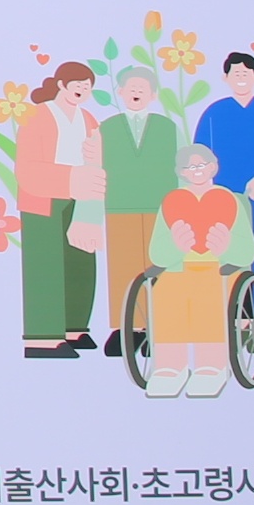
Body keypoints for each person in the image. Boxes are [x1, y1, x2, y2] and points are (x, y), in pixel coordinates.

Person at [145, 141, 253, 399]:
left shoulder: (231, 200)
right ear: (180, 172)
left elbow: (248, 251)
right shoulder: (172, 202)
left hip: (220, 269)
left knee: (209, 296)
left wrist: (227, 245)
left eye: (201, 164)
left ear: (214, 166)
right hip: (179, 268)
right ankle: (170, 367)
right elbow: (156, 252)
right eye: (189, 167)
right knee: (166, 294)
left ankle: (211, 366)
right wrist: (175, 246)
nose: (196, 170)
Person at [198, 51, 254, 332]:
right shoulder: (214, 112)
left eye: (246, 73)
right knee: (229, 251)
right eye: (235, 73)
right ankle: (240, 316)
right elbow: (201, 152)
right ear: (225, 78)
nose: (241, 78)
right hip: (224, 194)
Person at [17, 64, 104, 360]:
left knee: (80, 259)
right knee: (47, 265)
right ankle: (43, 336)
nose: (82, 90)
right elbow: (27, 168)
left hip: (81, 196)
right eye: (77, 84)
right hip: (43, 198)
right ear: (61, 85)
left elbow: (97, 159)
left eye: (87, 86)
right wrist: (70, 177)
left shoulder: (88, 119)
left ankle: (74, 327)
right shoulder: (38, 116)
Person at [97, 65, 180, 360]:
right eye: (131, 89)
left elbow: (179, 167)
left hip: (159, 206)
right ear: (120, 92)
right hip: (119, 205)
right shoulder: (106, 128)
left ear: (153, 95)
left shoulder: (167, 128)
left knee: (158, 265)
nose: (136, 93)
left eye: (142, 89)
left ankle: (156, 326)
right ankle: (126, 328)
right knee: (123, 266)